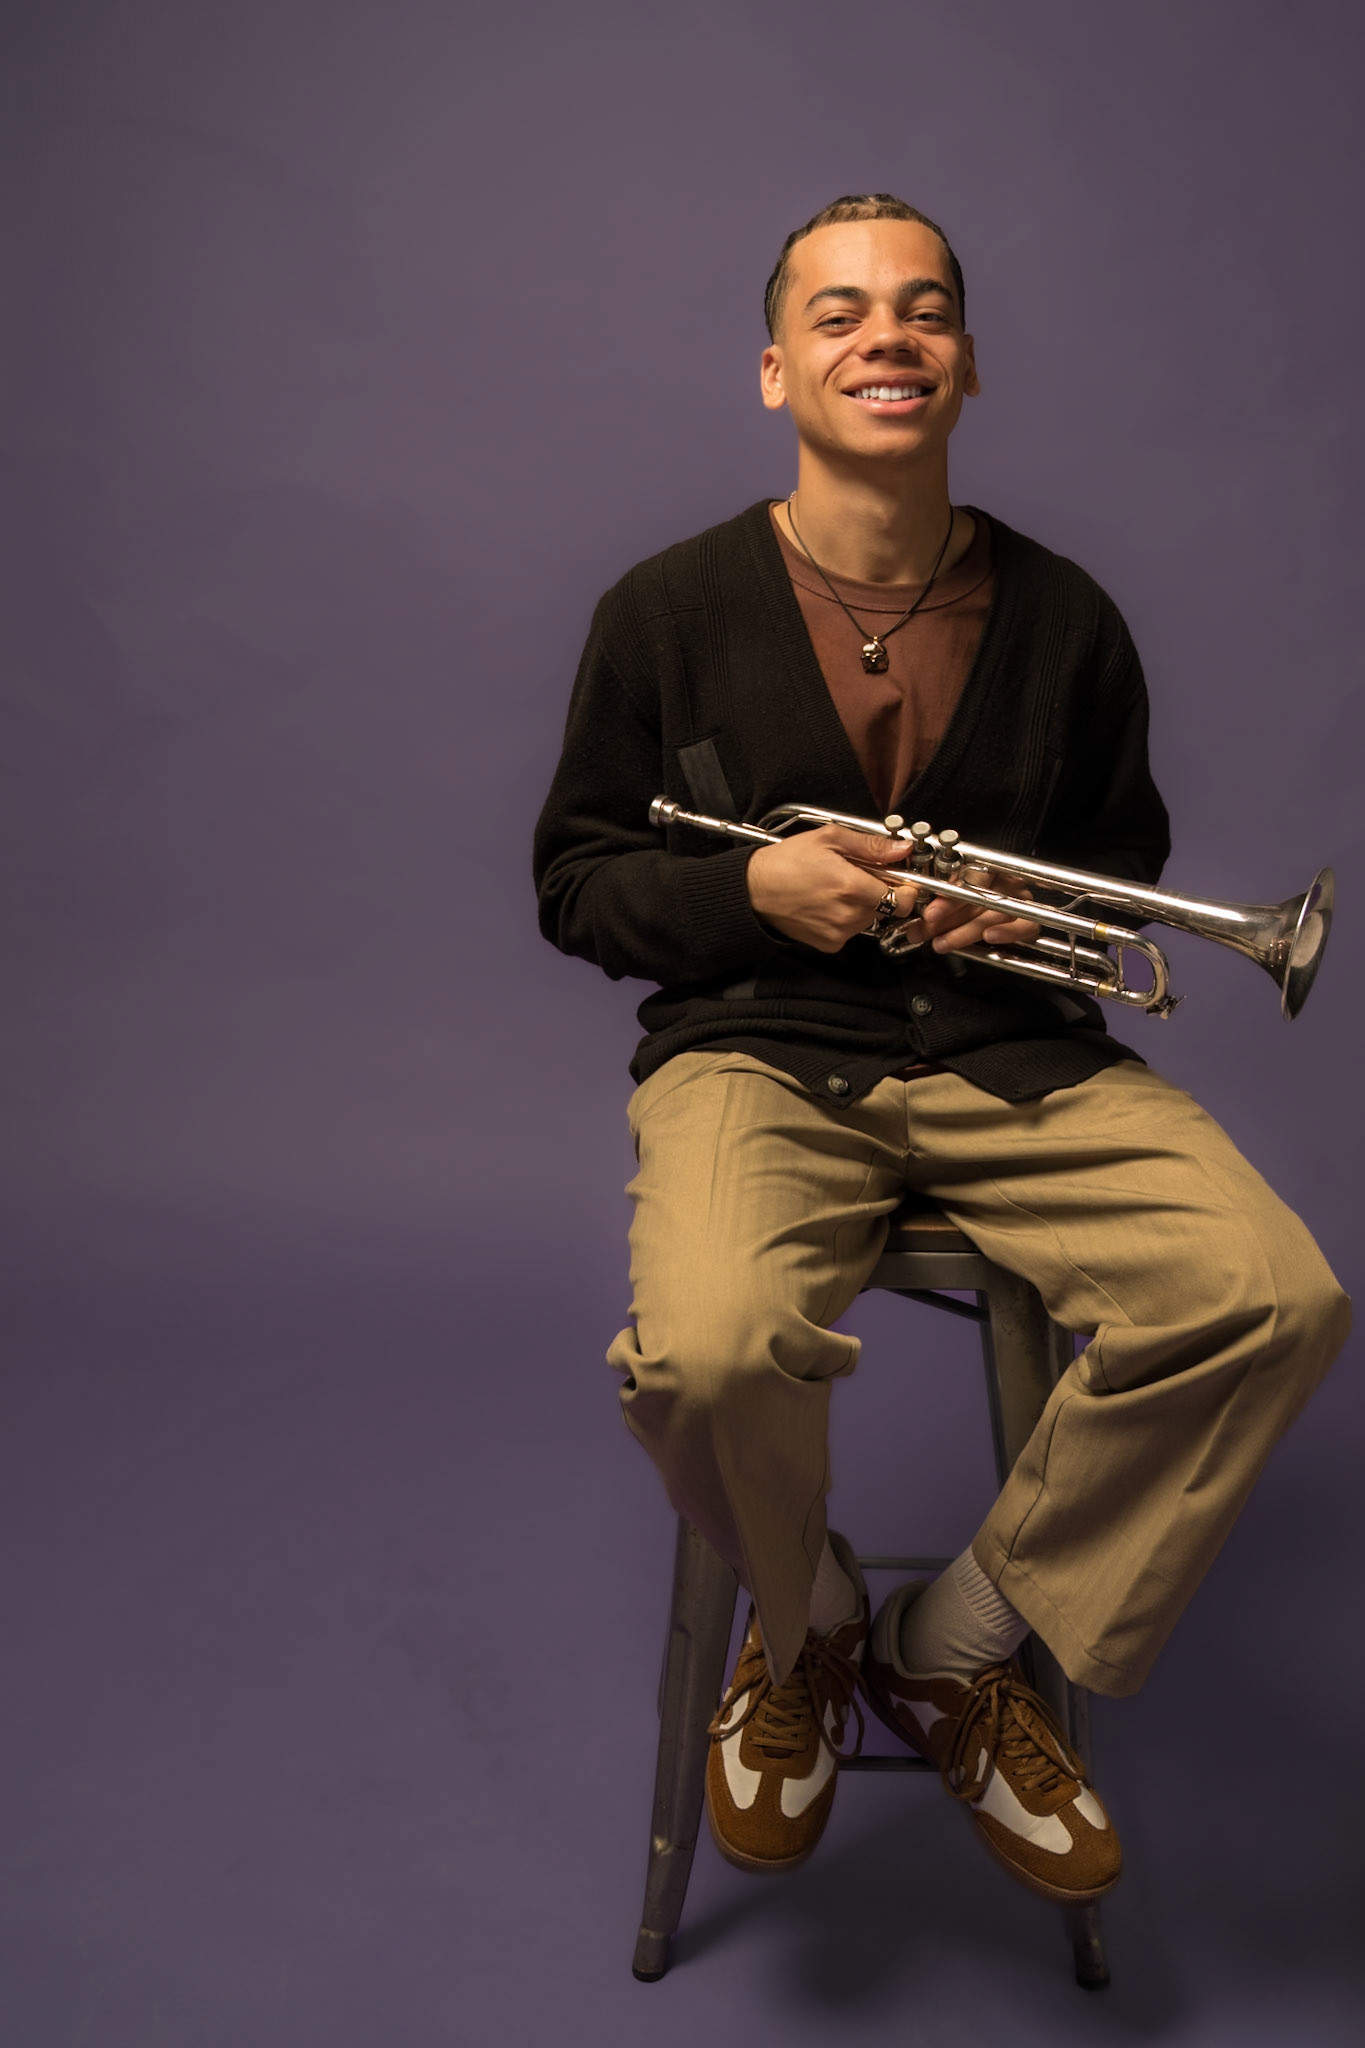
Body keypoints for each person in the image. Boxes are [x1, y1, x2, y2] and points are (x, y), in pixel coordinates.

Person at [532, 195, 1350, 1905]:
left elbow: (1117, 859)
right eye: (836, 314)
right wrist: (753, 889)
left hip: (1013, 1055)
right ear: (776, 371)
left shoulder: (1067, 616)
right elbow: (578, 881)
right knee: (703, 1355)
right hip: (760, 1052)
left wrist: (1014, 914)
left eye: (919, 311)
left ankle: (955, 1639)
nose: (883, 337)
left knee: (1272, 1296)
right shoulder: (664, 607)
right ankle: (812, 1622)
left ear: (965, 365)